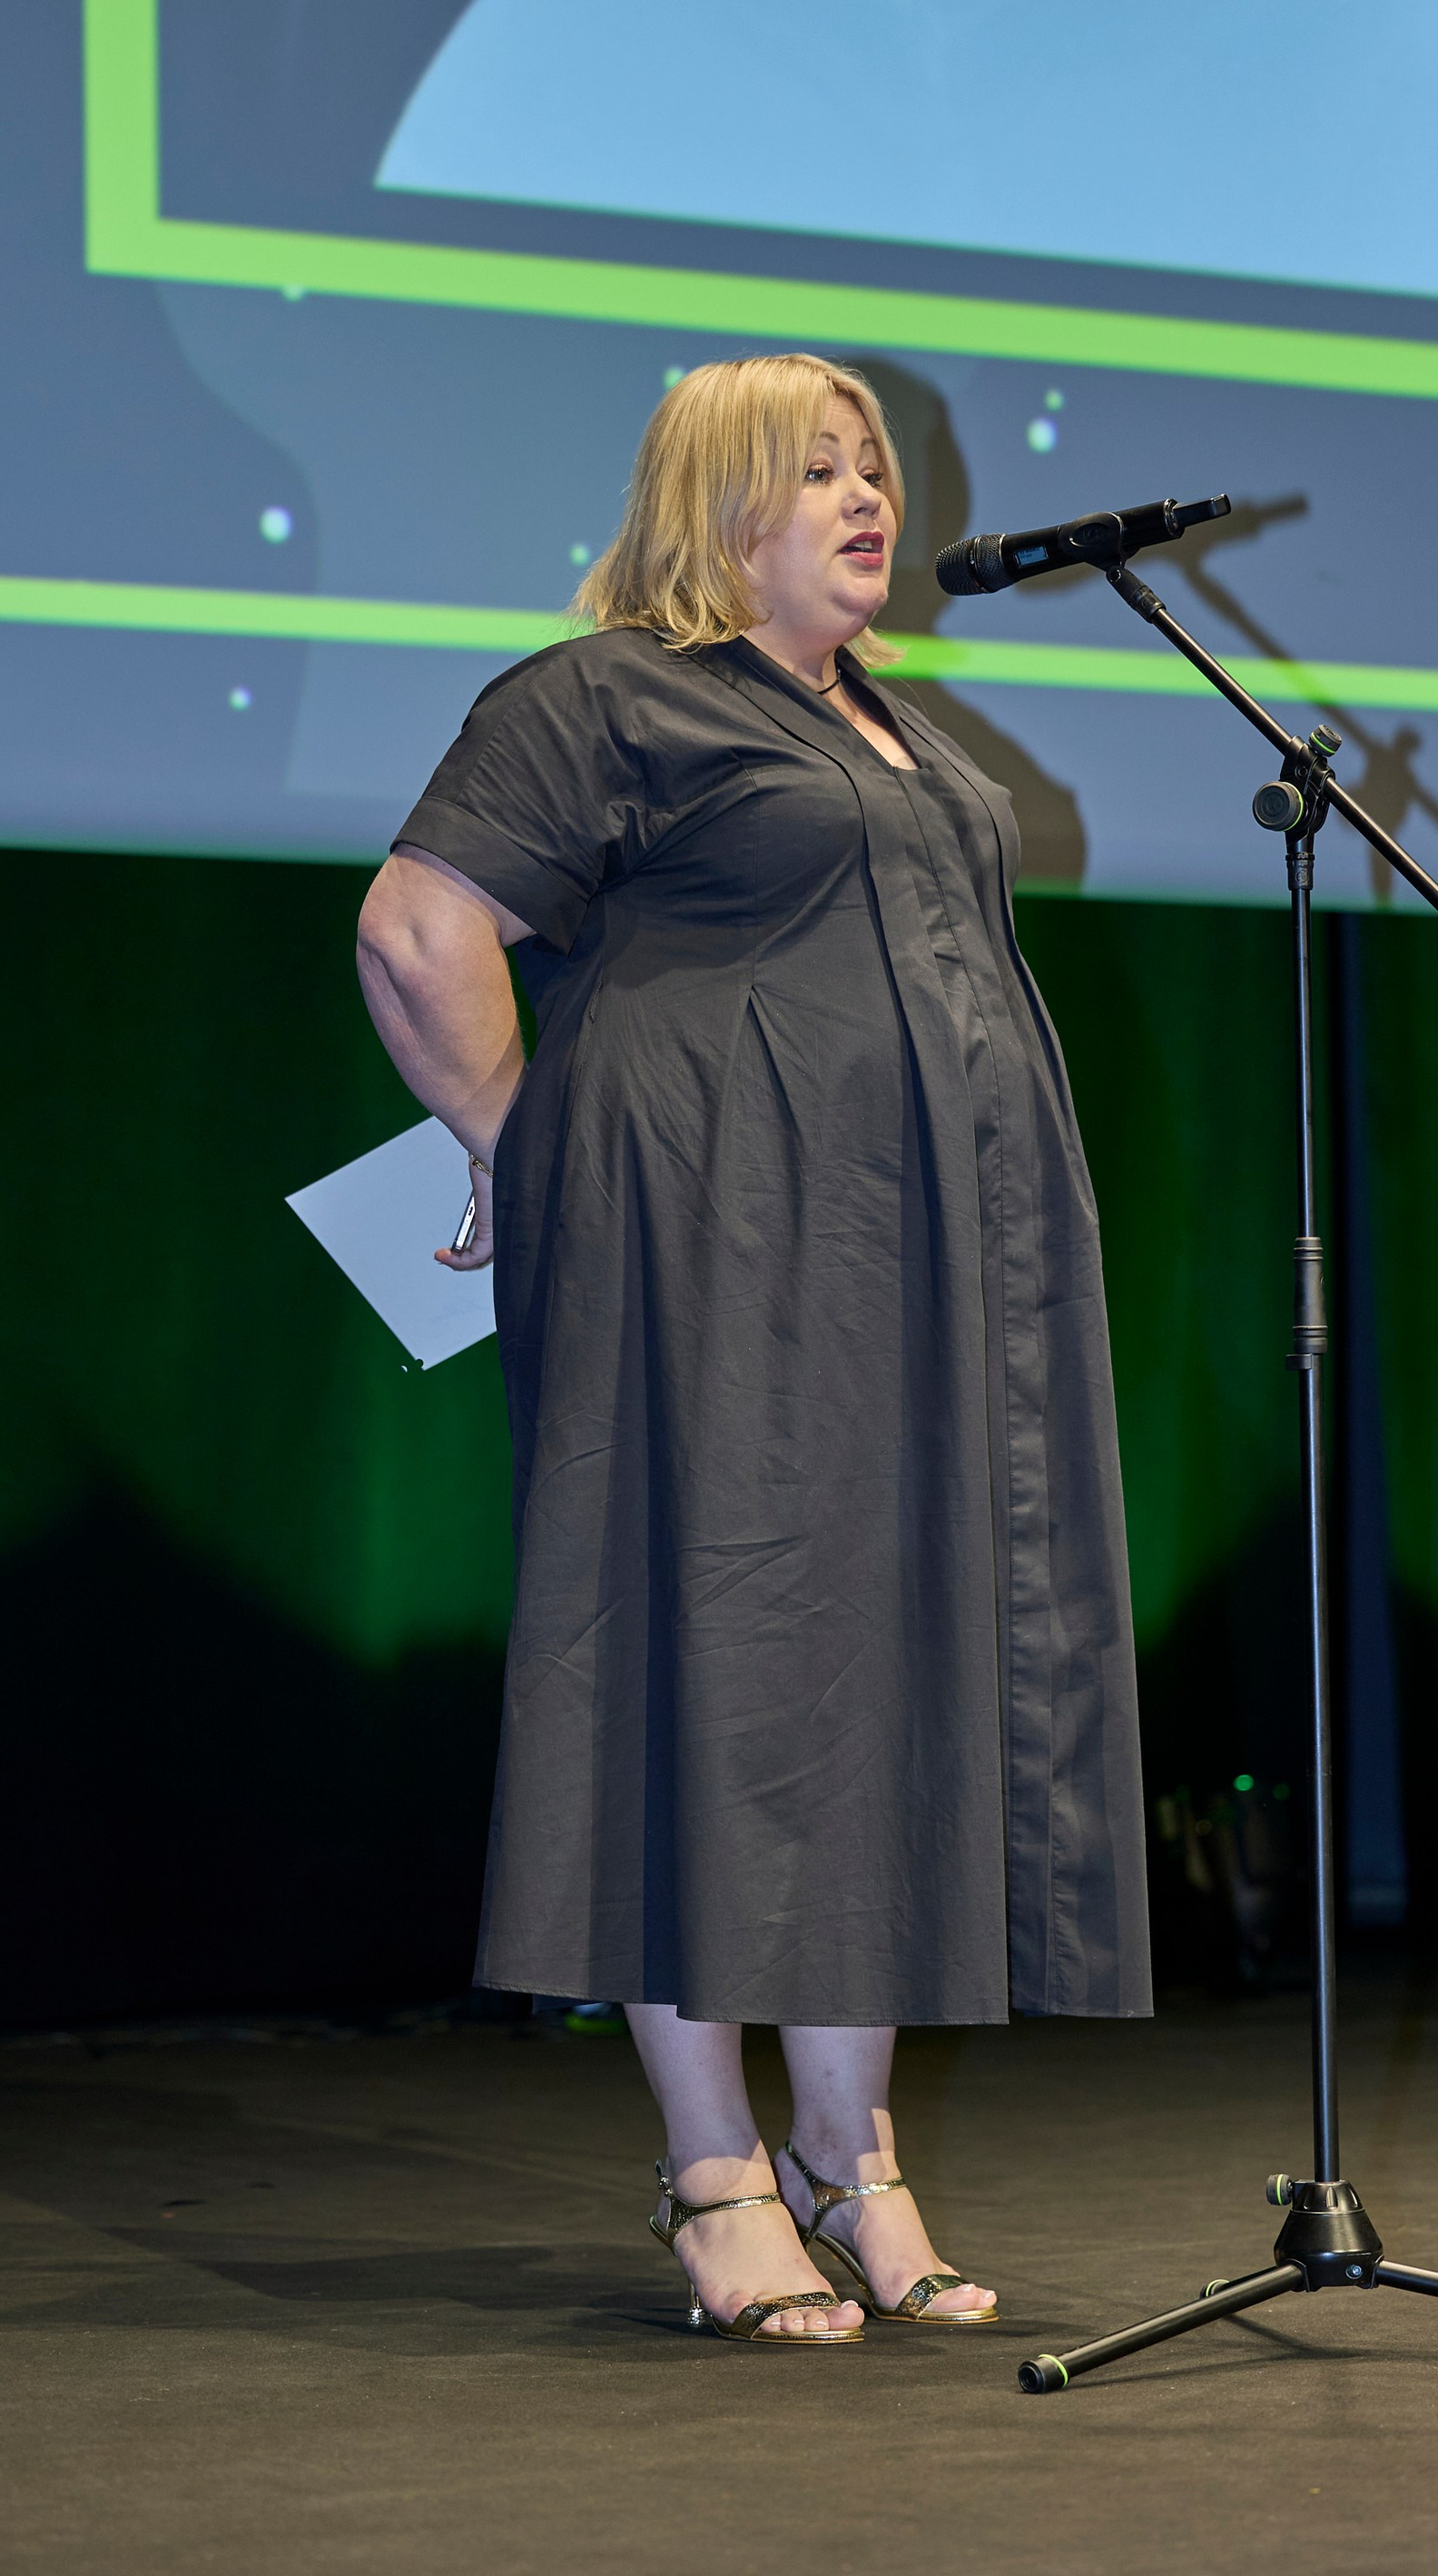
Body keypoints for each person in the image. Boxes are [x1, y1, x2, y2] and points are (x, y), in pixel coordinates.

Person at [357, 354, 1150, 2346]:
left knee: (875, 1671)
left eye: (874, 464)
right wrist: (537, 1149)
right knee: (692, 1668)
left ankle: (851, 2161)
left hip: (905, 1268)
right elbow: (416, 930)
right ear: (720, 508)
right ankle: (715, 2170)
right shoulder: (606, 694)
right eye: (820, 470)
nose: (871, 496)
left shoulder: (882, 718)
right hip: (702, 1257)